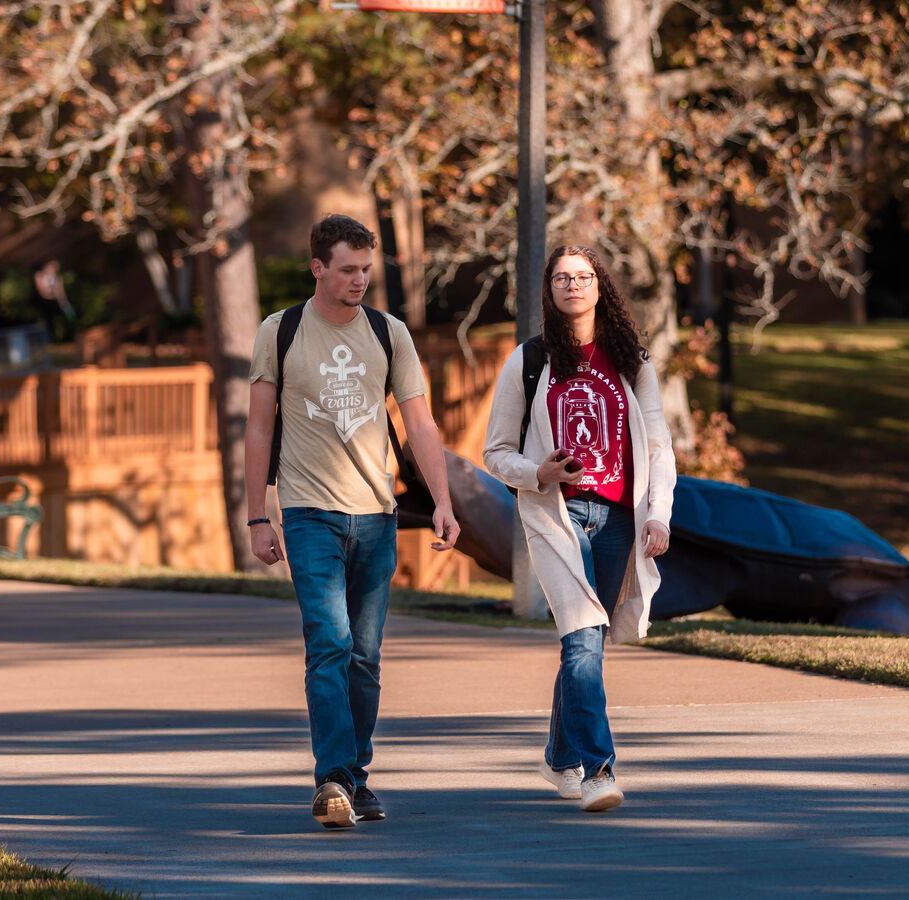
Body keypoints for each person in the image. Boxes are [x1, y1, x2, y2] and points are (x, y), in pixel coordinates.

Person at [244, 214, 460, 829]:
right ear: (318, 268)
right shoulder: (280, 332)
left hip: (376, 515)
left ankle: (356, 778)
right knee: (330, 644)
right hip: (310, 512)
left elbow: (419, 423)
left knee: (365, 656)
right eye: (347, 269)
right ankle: (333, 778)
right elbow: (259, 426)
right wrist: (258, 514)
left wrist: (443, 502)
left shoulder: (389, 334)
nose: (360, 279)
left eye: (366, 269)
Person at [482, 244, 676, 813]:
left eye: (583, 276)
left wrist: (659, 513)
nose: (573, 285)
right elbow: (494, 451)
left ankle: (557, 757)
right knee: (583, 635)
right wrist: (535, 471)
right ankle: (597, 770)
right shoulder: (530, 360)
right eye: (563, 277)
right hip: (555, 516)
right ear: (550, 290)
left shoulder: (632, 361)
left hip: (618, 518)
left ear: (600, 286)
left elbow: (660, 448)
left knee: (588, 642)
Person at [30, 260, 77, 341]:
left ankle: (63, 337)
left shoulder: (57, 278)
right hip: (42, 303)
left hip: (53, 302)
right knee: (47, 321)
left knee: (63, 317)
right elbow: (43, 291)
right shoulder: (39, 275)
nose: (53, 269)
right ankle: (47, 339)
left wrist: (65, 304)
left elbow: (61, 292)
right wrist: (53, 293)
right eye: (52, 267)